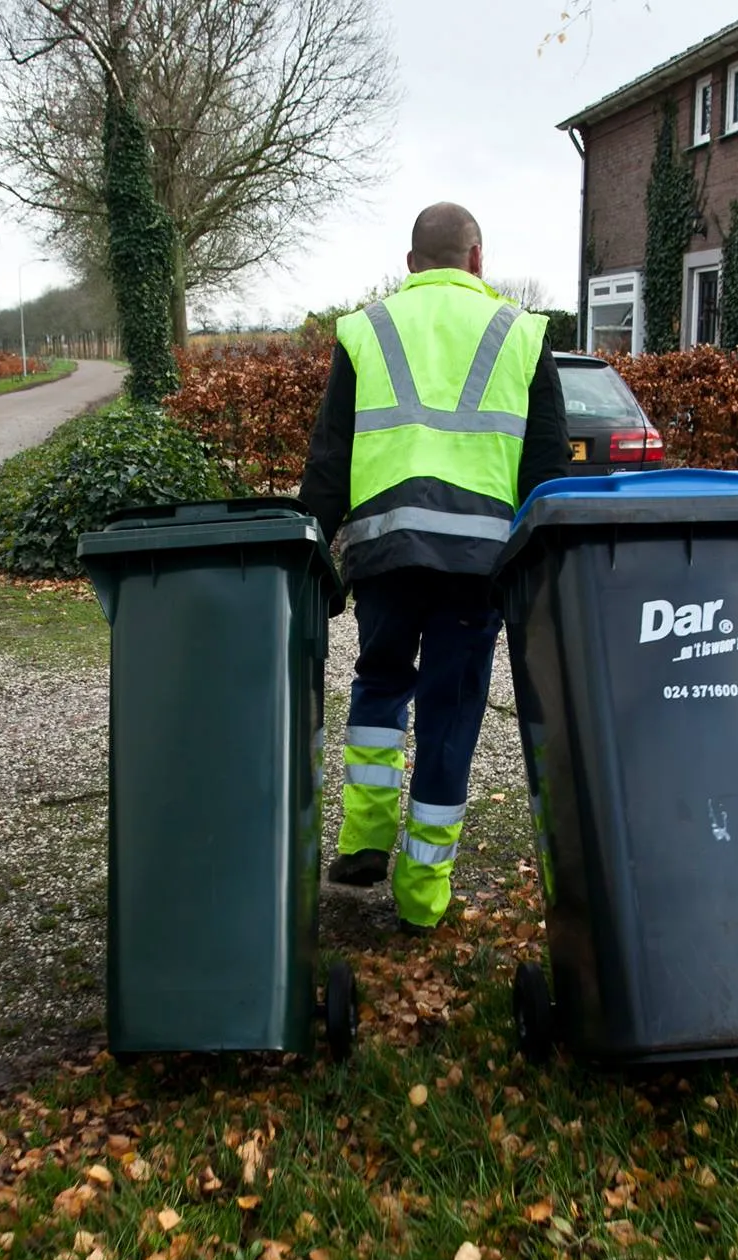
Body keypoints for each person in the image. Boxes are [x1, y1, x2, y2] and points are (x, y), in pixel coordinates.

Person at [300, 202, 572, 933]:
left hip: (385, 554)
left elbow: (330, 457)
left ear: (411, 263)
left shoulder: (368, 329)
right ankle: (422, 895)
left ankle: (363, 839)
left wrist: (304, 546)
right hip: (475, 564)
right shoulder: (521, 332)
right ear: (477, 259)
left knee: (381, 679)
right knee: (451, 712)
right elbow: (547, 470)